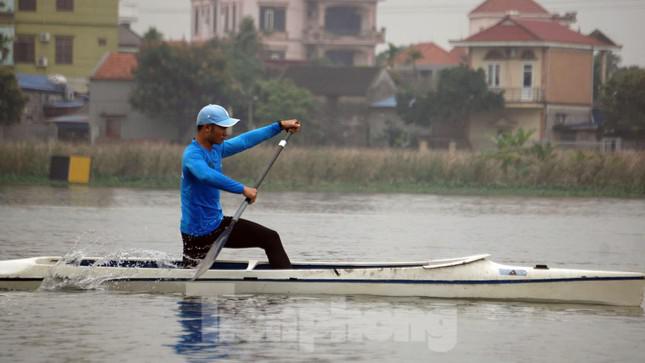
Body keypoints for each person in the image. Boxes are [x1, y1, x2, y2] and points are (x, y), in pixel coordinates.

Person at [180, 104, 300, 269]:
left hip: (210, 227)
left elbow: (245, 140)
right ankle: (288, 282)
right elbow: (206, 175)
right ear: (207, 128)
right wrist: (242, 189)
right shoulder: (192, 155)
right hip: (202, 232)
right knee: (270, 238)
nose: (226, 133)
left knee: (190, 277)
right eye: (222, 128)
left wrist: (279, 126)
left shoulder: (216, 149)